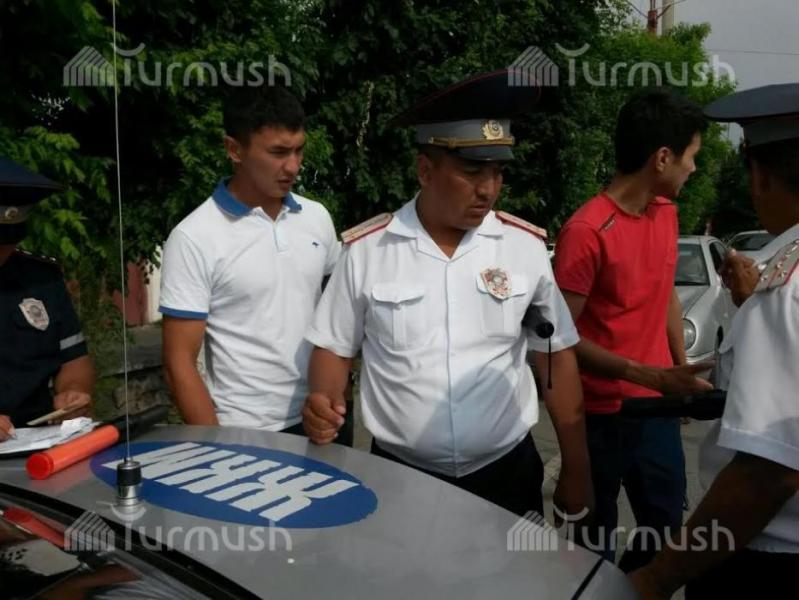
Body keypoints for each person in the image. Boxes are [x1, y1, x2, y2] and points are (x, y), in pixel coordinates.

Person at [302, 69, 594, 518]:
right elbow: (333, 346)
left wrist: (577, 466)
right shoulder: (368, 251)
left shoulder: (524, 248)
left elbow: (554, 355)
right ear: (425, 170)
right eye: (473, 171)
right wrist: (323, 400)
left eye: (497, 172)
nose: (488, 189)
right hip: (399, 478)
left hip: (506, 475)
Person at [630, 83, 799, 599]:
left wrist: (657, 578)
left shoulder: (784, 288)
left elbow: (768, 472)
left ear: (760, 176)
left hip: (767, 555)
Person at [552, 89, 713, 570]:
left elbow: (666, 294)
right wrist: (646, 375)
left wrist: (679, 376)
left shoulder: (666, 213)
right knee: (589, 549)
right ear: (662, 158)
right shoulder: (586, 231)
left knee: (664, 535)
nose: (693, 168)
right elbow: (560, 339)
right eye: (691, 156)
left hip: (658, 413)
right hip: (599, 417)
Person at [159, 85, 346, 441]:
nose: (293, 166)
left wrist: (335, 395)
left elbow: (339, 315)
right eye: (278, 152)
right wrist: (215, 448)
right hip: (246, 431)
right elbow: (178, 363)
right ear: (234, 149)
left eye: (299, 150)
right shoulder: (195, 236)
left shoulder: (316, 217)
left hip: (322, 419)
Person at [0, 159, 94, 440]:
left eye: (7, 244)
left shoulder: (41, 280)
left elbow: (74, 360)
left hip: (39, 441)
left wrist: (73, 392)